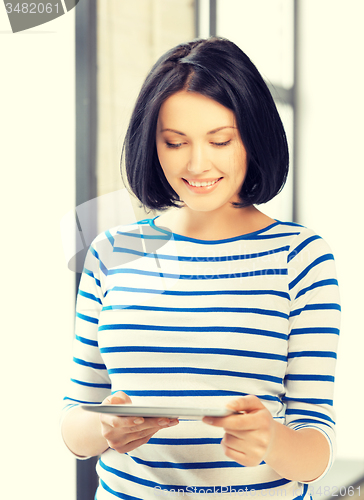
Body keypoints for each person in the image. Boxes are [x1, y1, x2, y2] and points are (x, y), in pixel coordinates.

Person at [61, 37, 340, 499]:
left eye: (220, 140)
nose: (197, 163)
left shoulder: (301, 256)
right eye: (174, 142)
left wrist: (269, 440)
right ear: (152, 144)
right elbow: (74, 421)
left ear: (253, 137)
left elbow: (317, 449)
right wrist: (103, 425)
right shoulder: (113, 249)